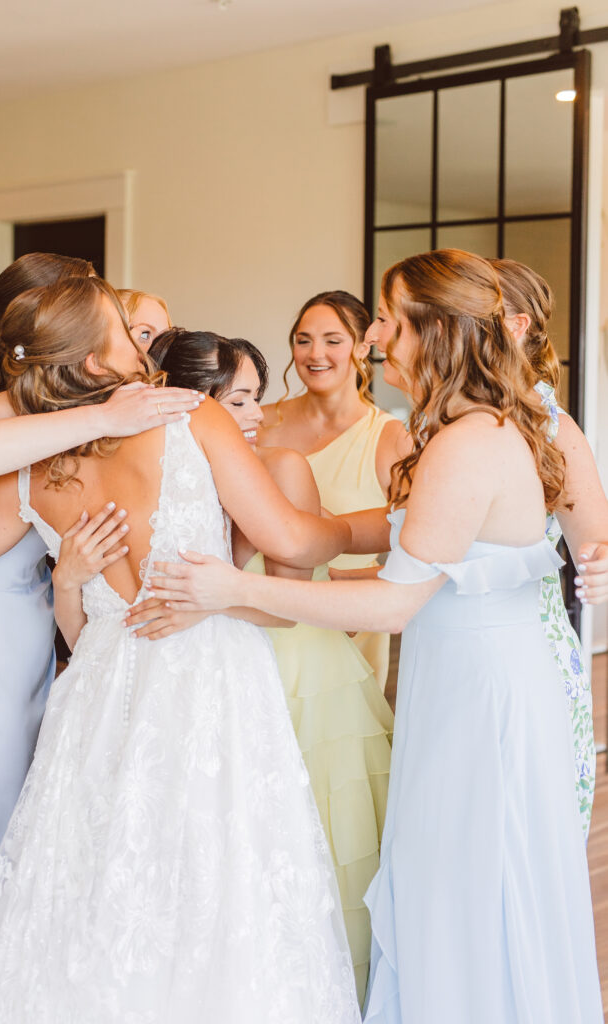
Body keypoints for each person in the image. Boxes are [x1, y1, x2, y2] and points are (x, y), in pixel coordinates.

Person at [141, 250, 603, 1023]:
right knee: (444, 870)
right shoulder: (463, 429)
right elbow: (392, 529)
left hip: (481, 696)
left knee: (465, 877)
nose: (374, 336)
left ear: (435, 329)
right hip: (464, 676)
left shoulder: (467, 443)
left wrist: (231, 588)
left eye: (387, 318)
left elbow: (393, 604)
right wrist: (301, 532)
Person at [0, 276, 359, 1023]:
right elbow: (290, 539)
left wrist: (66, 577)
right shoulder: (190, 418)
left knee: (95, 889)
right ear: (95, 364)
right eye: (129, 335)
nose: (148, 345)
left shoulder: (30, 466)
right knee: (217, 888)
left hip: (100, 690)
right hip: (208, 681)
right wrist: (382, 525)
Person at [0, 254, 200, 1020]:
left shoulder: (49, 409)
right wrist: (110, 415)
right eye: (123, 323)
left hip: (23, 619)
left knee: (19, 812)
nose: (141, 342)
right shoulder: (9, 411)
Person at [127, 328, 393, 1001]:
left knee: (310, 850)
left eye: (255, 400)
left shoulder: (280, 467)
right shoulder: (153, 473)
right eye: (238, 401)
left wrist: (214, 604)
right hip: (203, 677)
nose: (255, 416)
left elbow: (295, 597)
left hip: (297, 670)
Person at [491, 257, 608, 838]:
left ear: (512, 326)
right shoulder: (443, 416)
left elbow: (597, 542)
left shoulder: (552, 427)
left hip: (526, 646)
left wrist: (601, 567)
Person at [260, 290, 410, 692]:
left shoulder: (391, 439)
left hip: (346, 627)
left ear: (363, 346)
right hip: (262, 621)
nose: (315, 354)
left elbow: (416, 544)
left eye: (333, 340)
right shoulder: (257, 423)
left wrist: (342, 581)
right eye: (303, 339)